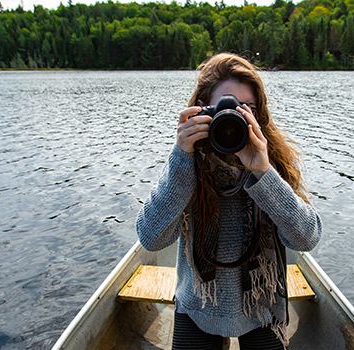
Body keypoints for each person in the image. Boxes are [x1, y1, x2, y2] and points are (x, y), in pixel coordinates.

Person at [136, 53, 321, 350]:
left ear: (259, 115)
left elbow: (307, 238)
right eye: (227, 106)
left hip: (262, 304)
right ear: (201, 109)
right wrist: (182, 159)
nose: (236, 116)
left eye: (248, 108)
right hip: (198, 304)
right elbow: (151, 238)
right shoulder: (187, 163)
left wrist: (263, 173)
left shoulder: (272, 162)